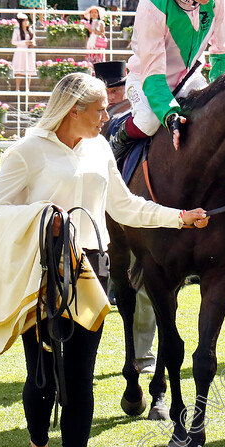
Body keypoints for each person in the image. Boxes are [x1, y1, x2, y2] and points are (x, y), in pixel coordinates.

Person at [0, 73, 209, 447]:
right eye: (100, 108)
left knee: (81, 376)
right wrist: (44, 216)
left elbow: (124, 207)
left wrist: (180, 217)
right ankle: (40, 445)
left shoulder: (101, 147)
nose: (108, 115)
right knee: (43, 373)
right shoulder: (26, 152)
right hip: (43, 271)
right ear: (72, 110)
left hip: (93, 267)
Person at [111, 0, 225, 155]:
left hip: (189, 79)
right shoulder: (153, 1)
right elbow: (153, 73)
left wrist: (222, 97)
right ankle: (116, 142)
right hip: (145, 80)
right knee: (149, 121)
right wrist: (170, 115)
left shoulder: (218, 1)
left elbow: (222, 55)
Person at [94, 60, 159, 373]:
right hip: (109, 215)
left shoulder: (138, 107)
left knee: (143, 282)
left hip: (142, 209)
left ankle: (143, 355)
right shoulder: (104, 123)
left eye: (118, 88)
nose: (114, 94)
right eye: (109, 90)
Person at [12, 13, 37, 92]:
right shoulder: (17, 30)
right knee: (19, 69)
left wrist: (31, 43)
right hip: (20, 51)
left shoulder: (30, 30)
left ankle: (27, 88)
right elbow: (13, 42)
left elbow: (33, 40)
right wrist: (25, 42)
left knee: (29, 69)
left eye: (27, 21)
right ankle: (17, 88)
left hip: (29, 51)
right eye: (24, 21)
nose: (26, 22)